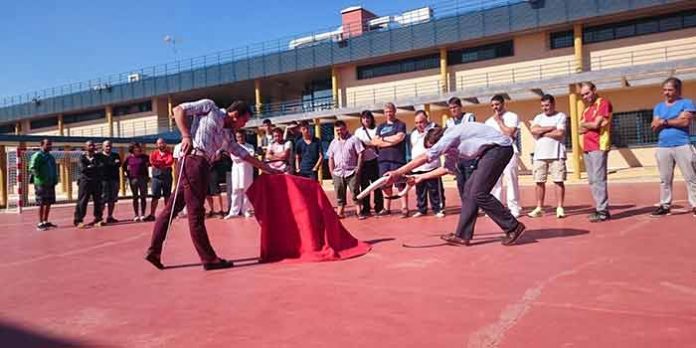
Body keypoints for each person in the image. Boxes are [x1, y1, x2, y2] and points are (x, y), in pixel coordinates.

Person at [145, 99, 281, 271]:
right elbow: (178, 109)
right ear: (235, 115)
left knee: (173, 207)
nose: (243, 125)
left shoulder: (228, 134)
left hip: (199, 166)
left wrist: (266, 168)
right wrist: (186, 135)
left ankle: (154, 251)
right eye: (244, 121)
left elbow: (242, 153)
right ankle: (209, 259)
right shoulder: (210, 108)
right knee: (195, 212)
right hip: (194, 161)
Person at [385, 122, 526, 246]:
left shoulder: (450, 136)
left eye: (434, 147)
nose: (438, 151)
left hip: (499, 149)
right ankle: (462, 236)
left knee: (478, 193)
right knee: (469, 192)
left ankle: (513, 227)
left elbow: (426, 157)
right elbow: (447, 169)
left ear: (439, 141)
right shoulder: (451, 148)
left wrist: (398, 172)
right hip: (489, 153)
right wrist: (420, 177)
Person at [649, 77, 696, 217]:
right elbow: (654, 125)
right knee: (665, 178)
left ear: (677, 90)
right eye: (664, 90)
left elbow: (685, 123)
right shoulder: (658, 107)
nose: (666, 93)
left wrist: (663, 121)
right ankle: (665, 205)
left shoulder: (687, 103)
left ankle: (695, 204)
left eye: (670, 90)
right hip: (663, 146)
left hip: (682, 144)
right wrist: (676, 118)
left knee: (691, 177)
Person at [527, 94, 568, 219]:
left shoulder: (561, 116)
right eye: (543, 106)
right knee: (539, 181)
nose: (545, 108)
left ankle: (560, 208)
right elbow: (533, 131)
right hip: (540, 155)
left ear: (553, 104)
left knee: (558, 180)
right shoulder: (538, 117)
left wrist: (542, 132)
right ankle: (539, 207)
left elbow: (560, 133)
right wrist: (551, 128)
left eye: (547, 105)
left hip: (557, 154)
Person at [579, 81, 613, 222]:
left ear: (594, 90)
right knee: (592, 180)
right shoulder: (587, 110)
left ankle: (603, 211)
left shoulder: (603, 103)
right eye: (583, 95)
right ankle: (599, 207)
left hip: (599, 145)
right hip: (587, 147)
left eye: (587, 93)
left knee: (599, 179)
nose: (585, 96)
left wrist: (588, 125)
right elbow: (581, 128)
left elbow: (597, 124)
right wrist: (589, 125)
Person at [484, 95, 522, 218]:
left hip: (509, 151)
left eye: (497, 104)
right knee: (495, 182)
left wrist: (499, 121)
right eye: (492, 105)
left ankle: (514, 208)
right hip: (494, 153)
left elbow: (510, 133)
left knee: (511, 179)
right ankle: (496, 209)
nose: (495, 107)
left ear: (503, 104)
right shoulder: (488, 122)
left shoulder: (512, 116)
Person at [372, 102, 409, 218]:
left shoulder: (400, 124)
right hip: (383, 160)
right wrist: (389, 141)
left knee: (401, 184)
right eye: (387, 112)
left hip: (397, 159)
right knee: (385, 185)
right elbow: (375, 142)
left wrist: (382, 141)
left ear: (395, 111)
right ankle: (387, 208)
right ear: (384, 113)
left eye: (391, 111)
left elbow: (399, 138)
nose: (389, 114)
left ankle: (404, 208)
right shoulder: (380, 126)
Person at [410, 111, 444, 218]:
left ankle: (438, 209)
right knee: (420, 191)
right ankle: (421, 209)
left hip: (432, 166)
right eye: (416, 123)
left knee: (435, 190)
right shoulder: (414, 133)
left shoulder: (434, 129)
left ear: (427, 120)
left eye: (421, 122)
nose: (419, 125)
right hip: (417, 167)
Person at [328, 120, 364, 219]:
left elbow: (360, 153)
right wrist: (331, 171)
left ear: (345, 128)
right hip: (338, 173)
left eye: (341, 129)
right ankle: (340, 212)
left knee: (355, 191)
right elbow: (330, 157)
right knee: (339, 192)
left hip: (351, 171)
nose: (339, 132)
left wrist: (358, 167)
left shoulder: (354, 139)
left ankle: (359, 211)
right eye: (337, 130)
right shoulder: (333, 142)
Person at [354, 110, 384, 219]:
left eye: (368, 118)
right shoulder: (358, 131)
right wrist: (369, 144)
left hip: (375, 160)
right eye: (364, 118)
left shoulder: (376, 130)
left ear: (371, 119)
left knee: (377, 185)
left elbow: (378, 142)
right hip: (363, 162)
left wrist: (366, 144)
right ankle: (366, 207)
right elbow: (356, 144)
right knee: (364, 186)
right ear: (361, 120)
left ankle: (379, 207)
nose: (366, 120)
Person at [446, 97, 477, 199]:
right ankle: (465, 206)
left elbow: (470, 134)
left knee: (470, 183)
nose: (453, 110)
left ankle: (474, 206)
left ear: (460, 107)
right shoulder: (449, 122)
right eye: (451, 108)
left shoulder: (469, 117)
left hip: (469, 156)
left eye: (455, 107)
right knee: (460, 183)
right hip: (457, 157)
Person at [225, 130, 256, 219]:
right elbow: (234, 158)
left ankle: (246, 210)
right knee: (235, 190)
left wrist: (243, 157)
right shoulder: (233, 146)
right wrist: (244, 157)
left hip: (247, 170)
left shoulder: (250, 146)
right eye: (238, 136)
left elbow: (251, 156)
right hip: (236, 170)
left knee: (247, 190)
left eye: (241, 136)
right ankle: (234, 212)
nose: (240, 138)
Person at [74, 140, 104, 228]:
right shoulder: (81, 157)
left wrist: (90, 167)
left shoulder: (98, 157)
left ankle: (98, 219)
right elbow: (83, 169)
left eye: (93, 145)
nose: (92, 147)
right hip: (85, 182)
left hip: (96, 181)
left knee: (98, 200)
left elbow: (101, 167)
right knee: (82, 201)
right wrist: (93, 167)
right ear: (85, 147)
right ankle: (78, 220)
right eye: (90, 145)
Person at [29, 139, 58, 231]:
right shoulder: (37, 155)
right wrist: (38, 175)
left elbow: (54, 169)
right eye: (48, 144)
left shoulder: (51, 157)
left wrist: (54, 179)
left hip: (50, 183)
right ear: (42, 145)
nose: (50, 146)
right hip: (41, 183)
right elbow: (32, 167)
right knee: (41, 203)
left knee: (48, 202)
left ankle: (45, 221)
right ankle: (40, 222)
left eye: (50, 144)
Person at [147, 138, 174, 221]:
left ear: (165, 144)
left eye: (162, 143)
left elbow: (169, 162)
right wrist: (162, 163)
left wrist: (160, 163)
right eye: (159, 143)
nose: (161, 145)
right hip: (156, 178)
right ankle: (152, 214)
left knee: (167, 196)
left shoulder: (170, 153)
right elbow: (153, 162)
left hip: (167, 178)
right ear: (156, 145)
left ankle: (168, 214)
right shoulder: (153, 153)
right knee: (155, 196)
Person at [122, 142, 150, 222]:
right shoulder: (128, 158)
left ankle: (143, 214)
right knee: (135, 197)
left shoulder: (144, 157)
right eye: (135, 148)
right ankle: (136, 215)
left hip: (143, 179)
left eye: (138, 147)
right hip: (133, 179)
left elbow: (150, 163)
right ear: (132, 149)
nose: (137, 149)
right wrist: (128, 175)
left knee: (143, 196)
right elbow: (124, 167)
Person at [98, 140, 121, 223]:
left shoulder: (116, 155)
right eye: (107, 146)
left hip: (114, 180)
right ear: (103, 147)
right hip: (103, 181)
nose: (108, 147)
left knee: (112, 199)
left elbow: (118, 164)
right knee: (103, 199)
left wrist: (108, 164)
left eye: (110, 146)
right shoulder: (99, 156)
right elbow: (101, 166)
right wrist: (112, 164)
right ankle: (99, 217)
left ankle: (110, 216)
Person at [206, 149, 229, 217]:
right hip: (204, 170)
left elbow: (219, 157)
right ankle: (212, 210)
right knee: (207, 192)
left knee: (216, 191)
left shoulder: (216, 148)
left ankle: (221, 210)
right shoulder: (203, 147)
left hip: (213, 170)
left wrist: (213, 158)